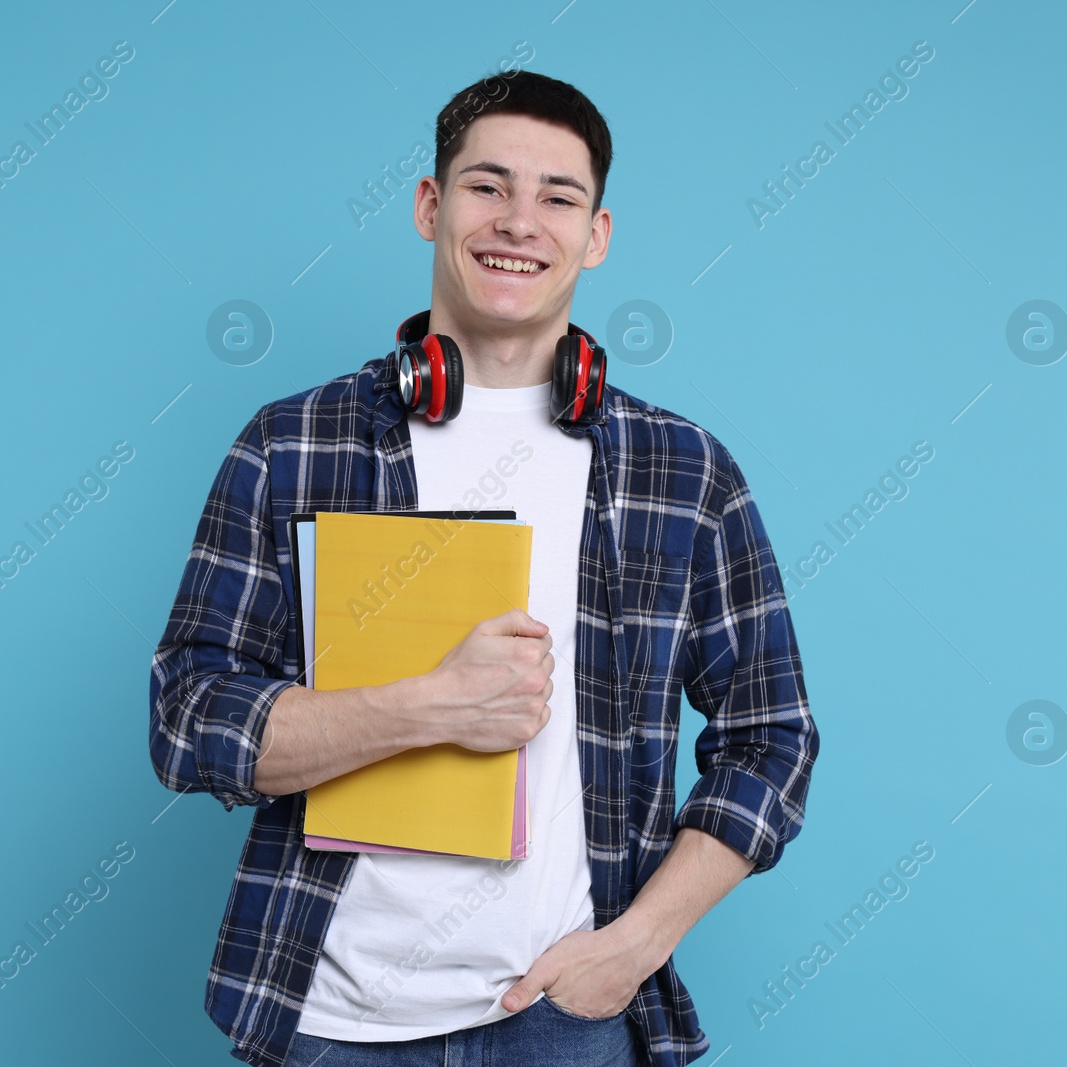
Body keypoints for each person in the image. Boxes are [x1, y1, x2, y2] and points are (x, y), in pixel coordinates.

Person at [150, 71, 818, 1067]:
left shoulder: (682, 471)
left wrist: (635, 946)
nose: (518, 221)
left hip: (568, 1021)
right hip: (330, 1018)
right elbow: (186, 720)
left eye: (556, 197)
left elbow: (771, 737)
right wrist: (427, 706)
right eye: (485, 186)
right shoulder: (291, 442)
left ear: (595, 234)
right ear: (430, 206)